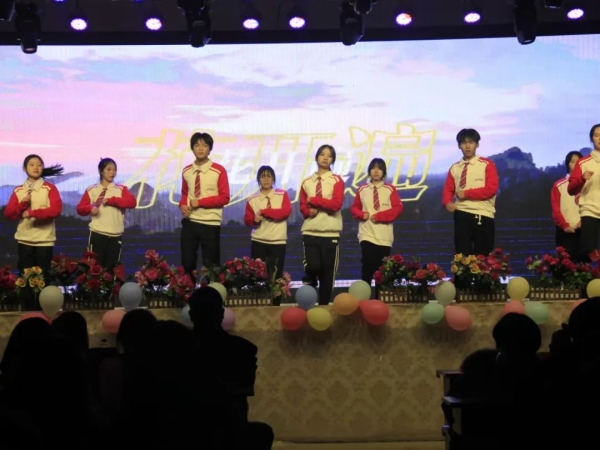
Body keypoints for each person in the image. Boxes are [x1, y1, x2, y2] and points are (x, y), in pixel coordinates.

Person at [179, 132, 230, 281]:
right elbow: (185, 193)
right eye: (197, 145)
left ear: (210, 149)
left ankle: (211, 293)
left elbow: (224, 197)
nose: (201, 148)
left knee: (211, 266)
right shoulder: (186, 171)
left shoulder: (218, 170)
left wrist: (200, 202)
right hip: (190, 222)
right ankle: (188, 292)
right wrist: (182, 205)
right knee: (187, 263)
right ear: (192, 148)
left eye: (205, 145)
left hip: (210, 223)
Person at [3, 154, 63, 278]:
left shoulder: (50, 188)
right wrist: (23, 204)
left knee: (43, 278)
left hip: (44, 241)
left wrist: (32, 213)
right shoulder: (18, 190)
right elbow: (9, 214)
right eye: (31, 165)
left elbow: (56, 211)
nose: (36, 167)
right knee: (25, 279)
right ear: (24, 168)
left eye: (39, 165)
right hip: (24, 240)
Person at [442, 129, 499, 257]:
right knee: (462, 257)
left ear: (477, 144)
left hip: (482, 214)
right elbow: (448, 188)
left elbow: (491, 189)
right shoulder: (455, 167)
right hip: (461, 214)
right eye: (464, 143)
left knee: (483, 258)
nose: (467, 146)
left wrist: (466, 193)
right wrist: (447, 202)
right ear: (459, 146)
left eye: (471, 142)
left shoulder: (487, 164)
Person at [299, 145, 344, 305]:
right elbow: (302, 206)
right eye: (322, 154)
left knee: (327, 274)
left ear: (333, 160)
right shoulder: (306, 182)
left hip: (330, 233)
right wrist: (307, 211)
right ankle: (309, 301)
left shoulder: (336, 180)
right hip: (310, 231)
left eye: (329, 156)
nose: (325, 158)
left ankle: (324, 306)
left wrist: (314, 200)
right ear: (317, 157)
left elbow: (336, 204)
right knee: (313, 267)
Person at [350, 158, 403, 287]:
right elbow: (354, 208)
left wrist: (379, 216)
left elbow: (397, 209)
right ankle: (366, 293)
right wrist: (362, 214)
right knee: (367, 264)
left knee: (382, 269)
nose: (376, 171)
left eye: (379, 168)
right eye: (373, 168)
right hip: (366, 233)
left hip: (384, 235)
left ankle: (380, 296)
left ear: (384, 172)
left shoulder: (390, 189)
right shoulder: (362, 189)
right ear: (369, 171)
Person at [76, 158, 137, 270]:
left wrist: (111, 200)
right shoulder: (92, 189)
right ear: (101, 171)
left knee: (112, 268)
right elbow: (80, 209)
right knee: (94, 268)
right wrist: (90, 208)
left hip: (115, 235)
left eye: (114, 170)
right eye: (109, 169)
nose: (112, 172)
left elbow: (132, 203)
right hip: (97, 233)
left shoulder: (121, 189)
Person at [244, 165, 291, 284]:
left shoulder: (282, 194)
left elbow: (285, 213)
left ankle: (275, 297)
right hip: (259, 241)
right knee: (257, 277)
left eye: (269, 176)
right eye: (263, 176)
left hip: (278, 242)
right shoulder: (252, 199)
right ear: (258, 179)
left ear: (273, 179)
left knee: (276, 277)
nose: (266, 179)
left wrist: (264, 211)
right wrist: (254, 219)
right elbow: (247, 220)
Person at [568, 124, 600, 262]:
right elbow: (571, 189)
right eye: (597, 135)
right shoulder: (583, 163)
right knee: (590, 252)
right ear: (592, 139)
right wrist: (582, 179)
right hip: (590, 211)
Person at [551, 151, 582, 261]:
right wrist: (565, 226)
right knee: (565, 265)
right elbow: (556, 211)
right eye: (572, 162)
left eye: (578, 162)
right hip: (564, 232)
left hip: (584, 231)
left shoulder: (588, 185)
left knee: (584, 266)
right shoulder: (559, 185)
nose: (576, 164)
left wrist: (584, 222)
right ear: (567, 165)